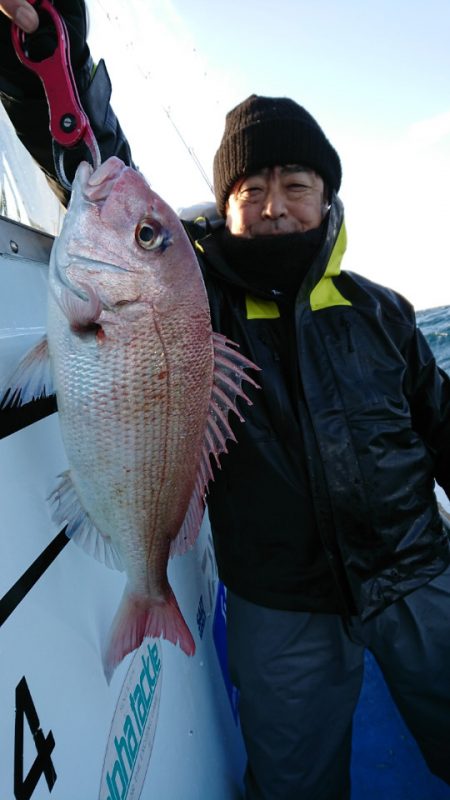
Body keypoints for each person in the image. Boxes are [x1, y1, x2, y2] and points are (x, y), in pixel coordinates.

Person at [1, 3, 450, 798]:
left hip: (418, 574)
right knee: (295, 783)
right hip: (280, 605)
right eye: (251, 188)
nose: (275, 205)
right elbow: (101, 162)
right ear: (224, 204)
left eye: (296, 184)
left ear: (328, 195)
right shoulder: (197, 299)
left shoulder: (381, 310)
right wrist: (46, 46)